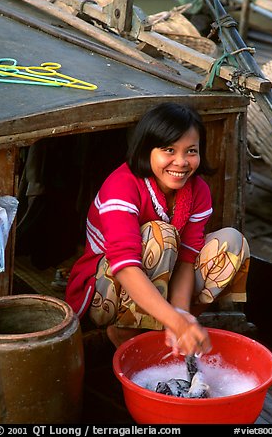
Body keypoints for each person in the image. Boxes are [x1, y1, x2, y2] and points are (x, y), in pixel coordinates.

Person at [65, 102, 250, 357]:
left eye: (191, 151)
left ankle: (167, 332)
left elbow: (187, 259)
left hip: (164, 284)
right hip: (105, 292)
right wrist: (176, 320)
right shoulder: (121, 186)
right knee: (161, 233)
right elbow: (126, 266)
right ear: (146, 149)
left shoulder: (198, 191)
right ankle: (126, 331)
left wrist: (182, 317)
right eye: (169, 150)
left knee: (232, 242)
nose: (181, 161)